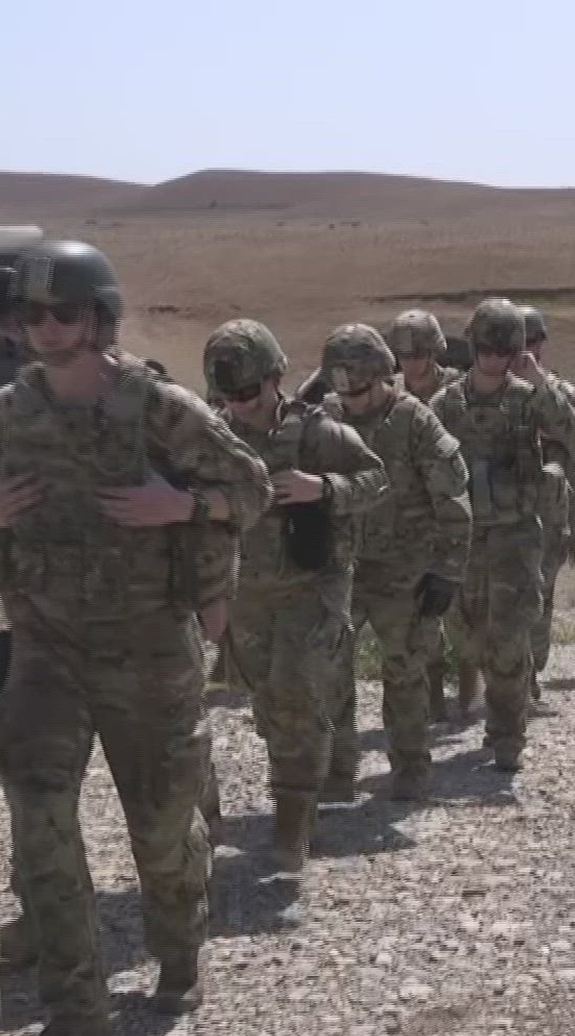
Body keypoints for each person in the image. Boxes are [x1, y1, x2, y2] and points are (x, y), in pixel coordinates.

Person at [0, 239, 268, 1036]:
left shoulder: (157, 407)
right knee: (38, 822)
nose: (46, 328)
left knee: (161, 825)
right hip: (43, 651)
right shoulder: (0, 417)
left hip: (148, 650)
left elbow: (249, 488)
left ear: (98, 317)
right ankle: (76, 1006)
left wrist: (180, 504)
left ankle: (180, 955)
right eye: (30, 314)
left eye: (62, 312)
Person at [206, 320, 386, 923]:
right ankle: (300, 791)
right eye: (230, 397)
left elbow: (375, 481)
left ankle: (291, 821)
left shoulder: (319, 432)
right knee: (268, 704)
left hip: (313, 587)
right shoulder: (213, 438)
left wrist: (324, 488)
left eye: (251, 392)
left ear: (276, 378)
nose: (242, 406)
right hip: (247, 593)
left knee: (298, 698)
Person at [431, 298, 575, 771]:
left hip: (516, 534)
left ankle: (506, 733)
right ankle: (499, 698)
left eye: (504, 350)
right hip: (465, 536)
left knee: (510, 634)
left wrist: (540, 383)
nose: (494, 359)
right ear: (473, 347)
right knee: (468, 634)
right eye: (486, 349)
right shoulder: (446, 404)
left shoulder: (528, 398)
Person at [328, 317, 471, 802]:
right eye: (345, 393)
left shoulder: (414, 420)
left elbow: (453, 500)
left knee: (406, 672)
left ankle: (410, 766)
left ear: (384, 376)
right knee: (329, 670)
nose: (353, 402)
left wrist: (448, 570)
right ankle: (337, 771)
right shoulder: (329, 417)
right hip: (342, 568)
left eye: (363, 391)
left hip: (405, 571)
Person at [384, 308, 465, 721]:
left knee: (465, 610)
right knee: (420, 615)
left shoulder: (456, 392)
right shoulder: (386, 393)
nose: (412, 362)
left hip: (454, 514)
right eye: (404, 353)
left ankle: (469, 681)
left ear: (436, 351)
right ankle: (431, 693)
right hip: (406, 522)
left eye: (420, 353)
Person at [518, 304, 575, 701]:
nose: (522, 351)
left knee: (537, 595)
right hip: (491, 512)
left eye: (530, 342)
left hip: (546, 514)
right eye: (515, 342)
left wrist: (540, 386)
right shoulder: (479, 393)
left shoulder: (565, 395)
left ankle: (526, 675)